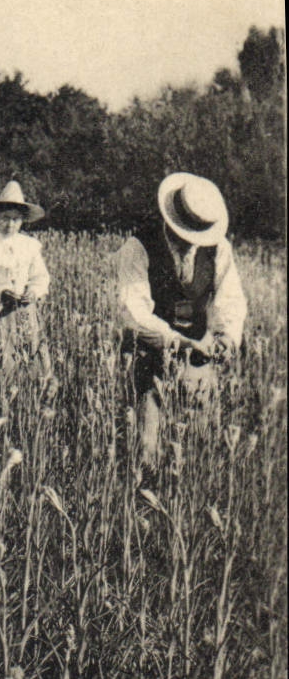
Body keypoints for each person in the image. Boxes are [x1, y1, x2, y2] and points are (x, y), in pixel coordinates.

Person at [116, 172, 248, 466]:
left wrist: (226, 336)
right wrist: (178, 342)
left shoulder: (218, 249)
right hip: (150, 355)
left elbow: (231, 299)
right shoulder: (138, 246)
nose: (190, 243)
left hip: (198, 359)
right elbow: (133, 312)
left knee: (198, 446)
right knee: (147, 448)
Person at [0, 180, 53, 393]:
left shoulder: (30, 246)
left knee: (28, 356)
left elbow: (41, 277)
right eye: (5, 218)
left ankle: (26, 402)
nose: (10, 224)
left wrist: (33, 291)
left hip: (24, 311)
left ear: (22, 221)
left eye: (15, 219)